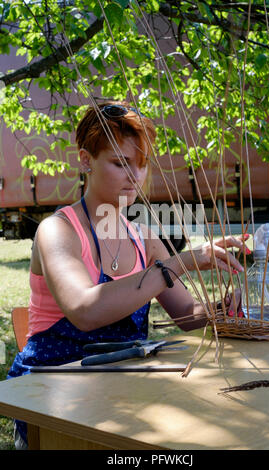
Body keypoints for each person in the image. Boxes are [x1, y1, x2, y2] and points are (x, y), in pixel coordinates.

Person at [7, 100, 247, 448]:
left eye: (142, 165)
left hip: (119, 393)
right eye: (120, 163)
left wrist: (219, 308)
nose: (135, 176)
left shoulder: (144, 239)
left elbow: (187, 316)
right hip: (50, 398)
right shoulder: (58, 230)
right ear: (86, 159)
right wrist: (179, 263)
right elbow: (85, 310)